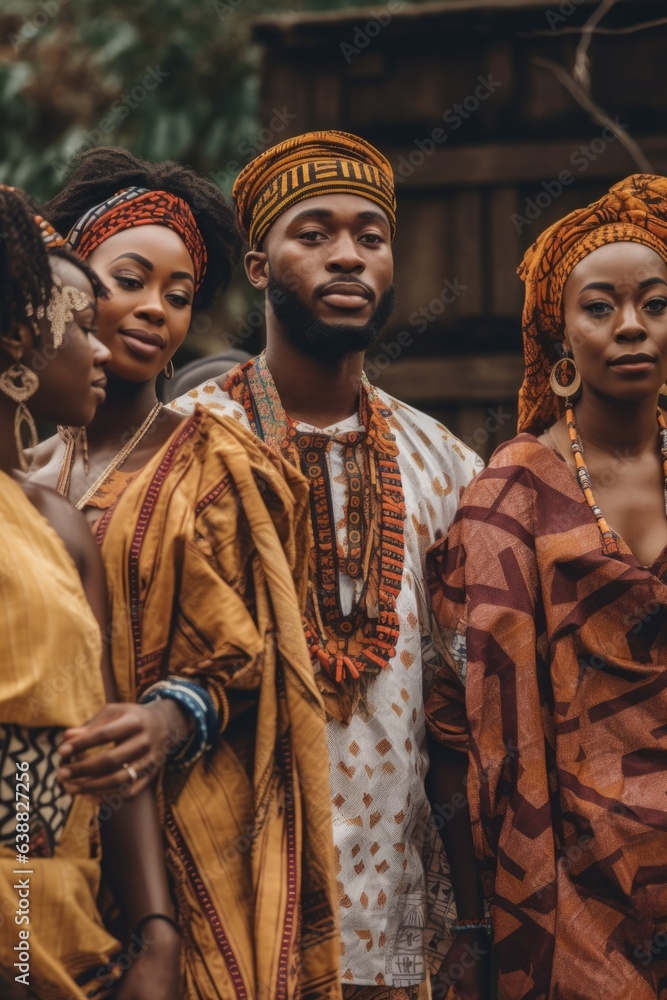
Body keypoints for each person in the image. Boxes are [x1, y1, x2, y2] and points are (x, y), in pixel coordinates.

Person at [169, 130, 487, 998]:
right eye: (313, 234)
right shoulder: (185, 447)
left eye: (369, 237)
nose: (346, 255)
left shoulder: (445, 465)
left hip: (393, 932)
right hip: (233, 921)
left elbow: (461, 708)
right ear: (259, 266)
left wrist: (471, 923)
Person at [29, 148, 341, 998]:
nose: (155, 310)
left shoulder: (216, 460)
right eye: (129, 280)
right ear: (67, 289)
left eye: (178, 296)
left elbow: (263, 657)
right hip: (35, 827)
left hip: (187, 836)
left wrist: (167, 720)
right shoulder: (28, 468)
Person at [425, 174, 667, 999]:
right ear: (557, 331)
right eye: (599, 307)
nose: (630, 325)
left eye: (654, 304)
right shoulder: (510, 499)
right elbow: (465, 722)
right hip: (571, 889)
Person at [0, 186, 180, 999]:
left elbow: (109, 732)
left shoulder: (61, 526)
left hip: (65, 915)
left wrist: (156, 931)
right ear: (19, 339)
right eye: (80, 325)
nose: (101, 350)